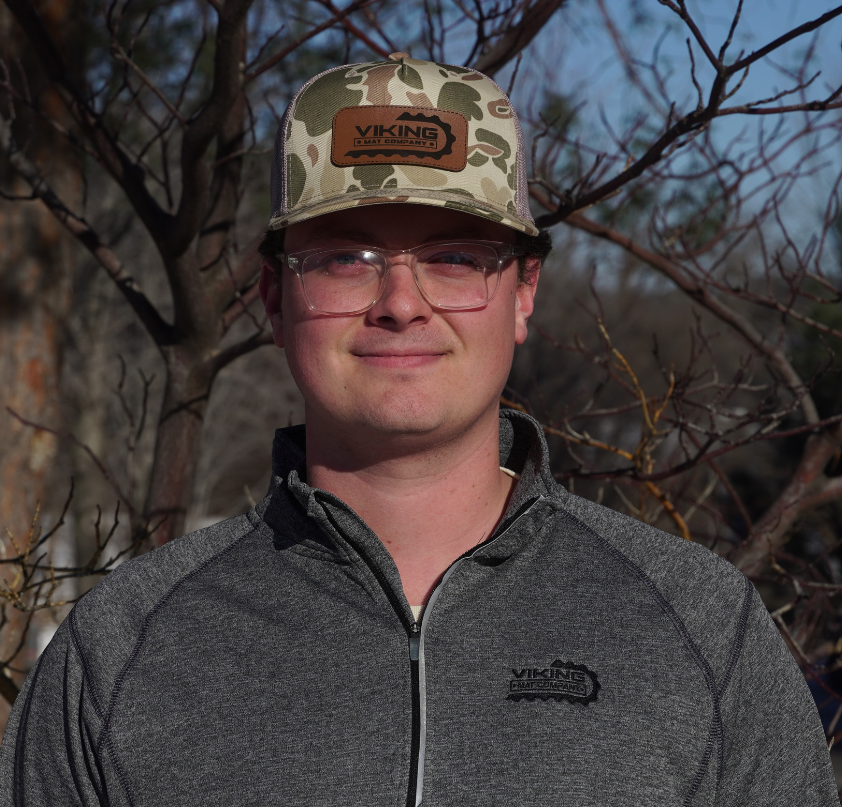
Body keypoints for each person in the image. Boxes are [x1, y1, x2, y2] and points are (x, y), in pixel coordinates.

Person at [0, 53, 837, 807]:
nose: (402, 303)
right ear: (275, 297)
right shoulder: (117, 653)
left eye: (455, 257)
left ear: (524, 293)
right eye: (345, 258)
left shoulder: (700, 629)